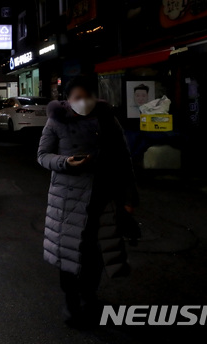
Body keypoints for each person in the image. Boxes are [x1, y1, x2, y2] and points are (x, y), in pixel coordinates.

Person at [37, 76, 139, 327]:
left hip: (102, 198)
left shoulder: (107, 119)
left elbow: (124, 160)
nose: (83, 102)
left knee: (95, 254)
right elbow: (42, 156)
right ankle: (71, 302)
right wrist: (65, 163)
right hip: (67, 201)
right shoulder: (57, 120)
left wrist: (128, 198)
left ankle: (89, 296)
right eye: (77, 97)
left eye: (87, 96)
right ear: (67, 99)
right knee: (70, 253)